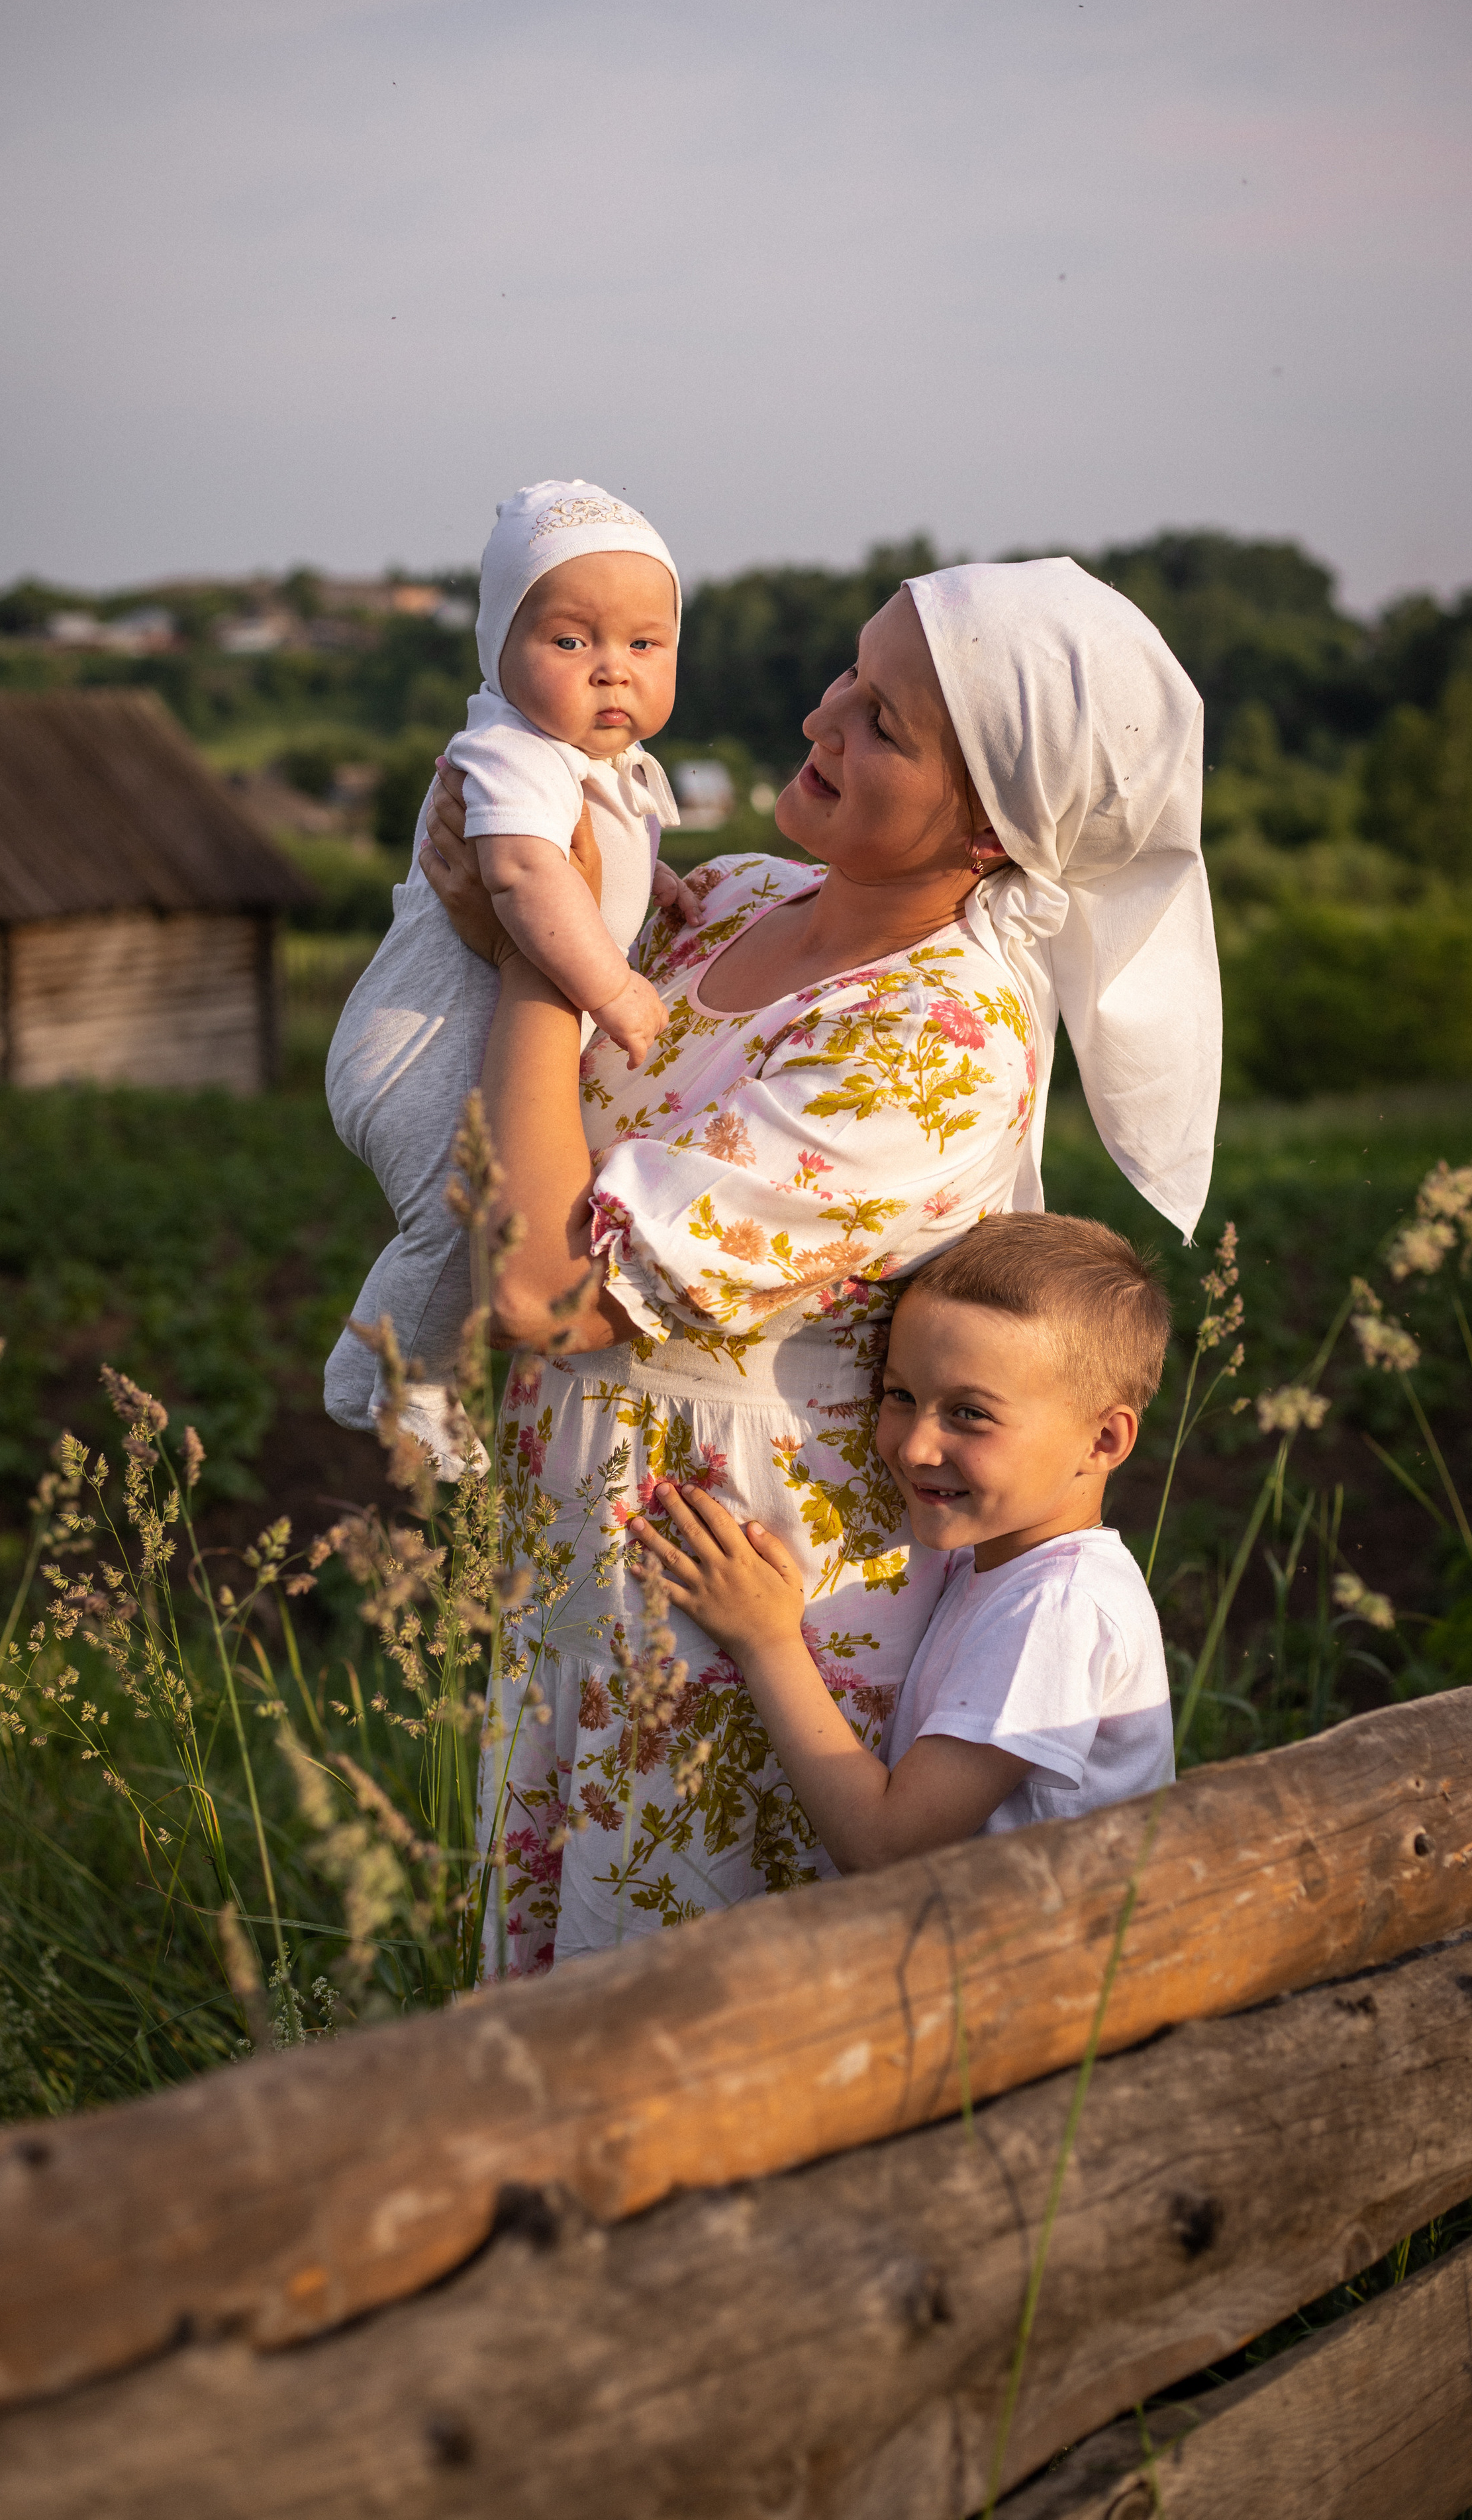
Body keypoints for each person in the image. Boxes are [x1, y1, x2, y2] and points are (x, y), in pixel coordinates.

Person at [400, 554, 1221, 1970]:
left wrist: (543, 957)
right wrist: (506, 879)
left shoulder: (932, 1045)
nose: (817, 722)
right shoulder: (728, 898)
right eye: (847, 675)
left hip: (743, 1578)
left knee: (691, 2010)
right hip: (593, 1542)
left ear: (993, 831)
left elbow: (543, 1292)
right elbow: (513, 923)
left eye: (882, 724)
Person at [323, 478, 696, 1454]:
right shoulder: (511, 750)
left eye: (643, 646)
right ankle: (388, 1386)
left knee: (472, 1214)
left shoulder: (584, 763)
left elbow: (593, 862)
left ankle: (422, 1384)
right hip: (419, 1045)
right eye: (572, 642)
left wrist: (654, 883)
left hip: (463, 1039)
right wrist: (611, 987)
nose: (612, 671)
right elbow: (531, 872)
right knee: (458, 1216)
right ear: (499, 650)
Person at [628, 1213, 1175, 1871]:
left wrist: (765, 1641)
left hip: (1047, 1968)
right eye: (900, 1396)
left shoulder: (1056, 1608)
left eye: (969, 1414)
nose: (915, 1447)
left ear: (1103, 1440)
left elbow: (886, 1846)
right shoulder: (997, 1568)